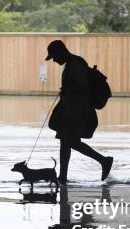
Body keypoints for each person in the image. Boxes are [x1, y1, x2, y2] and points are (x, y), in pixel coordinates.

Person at [45, 40, 113, 184]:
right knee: (65, 141)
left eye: (54, 56)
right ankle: (62, 176)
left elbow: (82, 88)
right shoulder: (72, 63)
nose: (54, 60)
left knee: (70, 141)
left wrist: (67, 90)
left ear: (61, 52)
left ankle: (103, 160)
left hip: (78, 110)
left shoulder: (75, 64)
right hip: (73, 109)